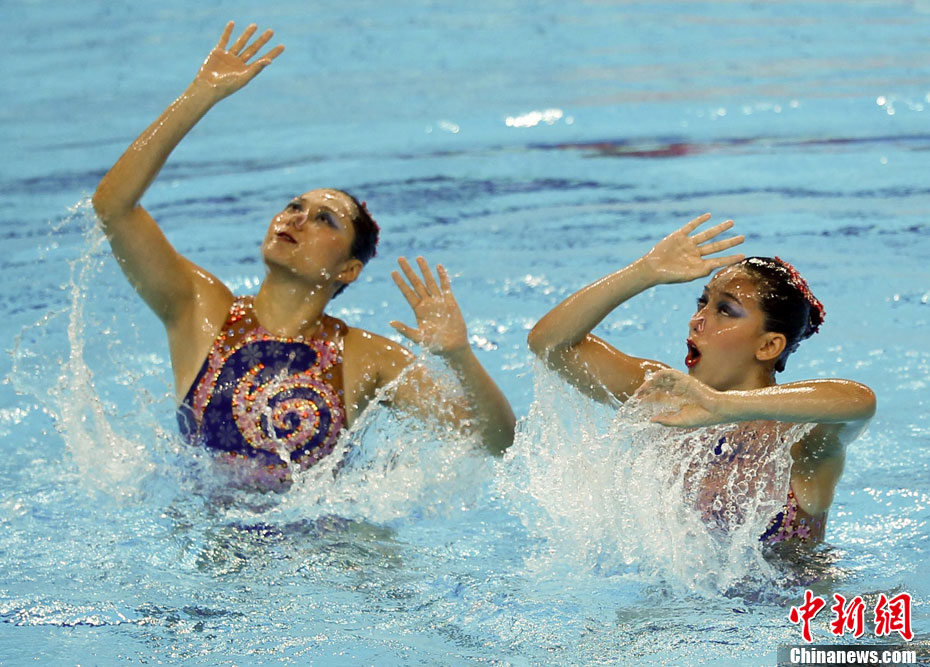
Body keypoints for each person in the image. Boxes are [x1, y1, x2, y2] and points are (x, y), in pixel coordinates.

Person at [92, 22, 515, 487]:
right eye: (295, 206)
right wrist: (200, 95)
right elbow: (113, 207)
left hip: (325, 533)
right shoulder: (201, 311)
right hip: (203, 532)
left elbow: (496, 443)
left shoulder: (367, 357)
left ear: (348, 269)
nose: (296, 218)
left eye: (324, 219)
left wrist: (459, 356)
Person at [527, 213, 875, 544]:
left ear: (768, 345)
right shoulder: (664, 395)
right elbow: (550, 345)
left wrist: (724, 406)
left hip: (795, 589)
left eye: (725, 310)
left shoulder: (797, 438)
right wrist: (643, 272)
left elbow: (859, 402)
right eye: (702, 303)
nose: (697, 320)